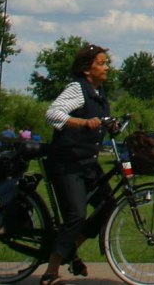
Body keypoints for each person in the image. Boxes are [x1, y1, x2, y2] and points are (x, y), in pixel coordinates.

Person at [42, 43, 113, 285]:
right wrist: (81, 123)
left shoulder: (98, 92)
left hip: (88, 163)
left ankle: (70, 249)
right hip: (67, 163)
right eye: (101, 63)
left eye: (106, 63)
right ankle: (51, 272)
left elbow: (99, 119)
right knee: (76, 215)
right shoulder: (77, 89)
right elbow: (53, 114)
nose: (106, 68)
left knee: (108, 205)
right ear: (86, 69)